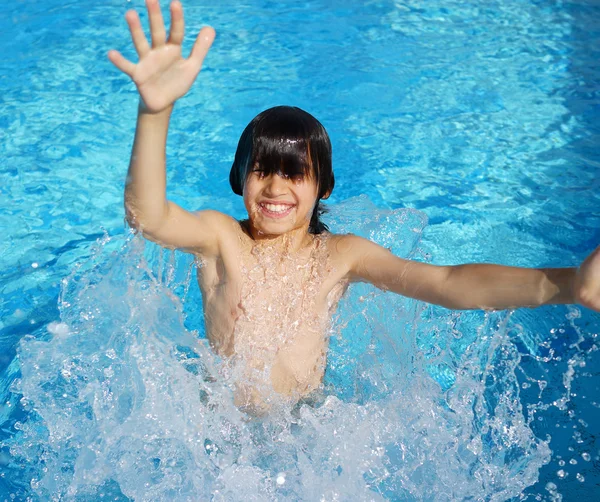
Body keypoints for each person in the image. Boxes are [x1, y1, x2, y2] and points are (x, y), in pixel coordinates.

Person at [108, 0, 599, 413]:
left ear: (323, 187)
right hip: (217, 430)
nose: (277, 187)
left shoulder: (340, 257)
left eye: (296, 173)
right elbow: (147, 217)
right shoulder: (221, 238)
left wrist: (568, 284)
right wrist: (156, 112)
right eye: (262, 170)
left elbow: (447, 284)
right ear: (239, 178)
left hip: (302, 432)